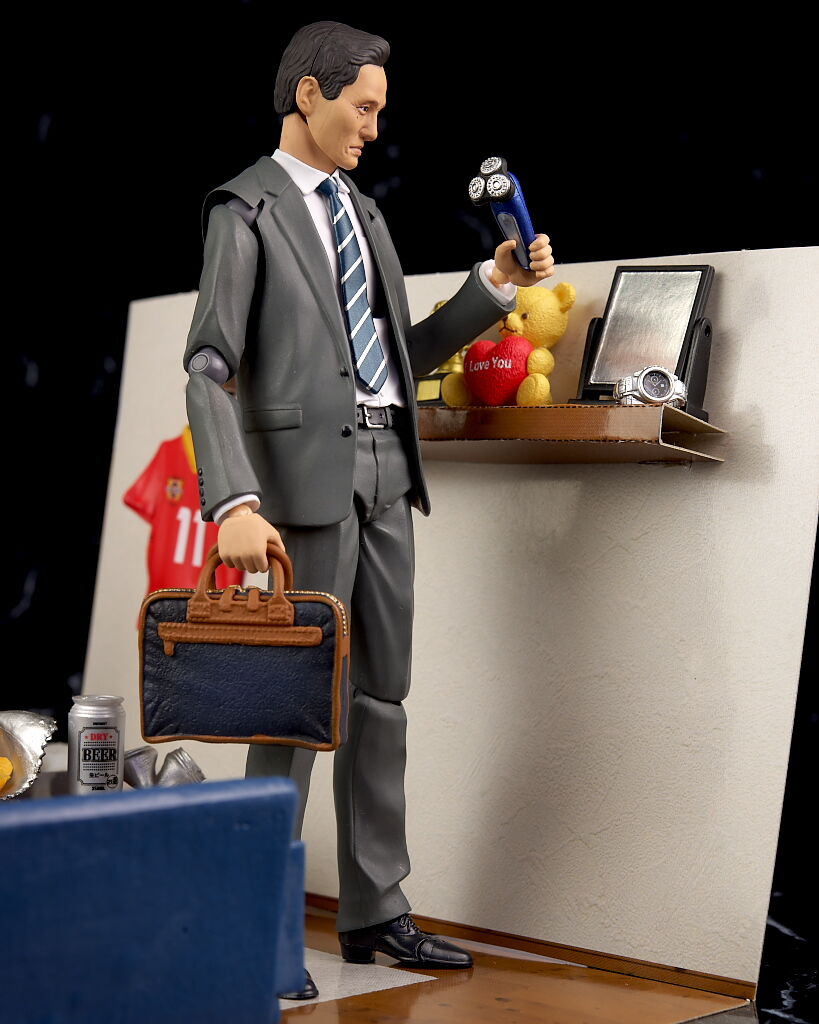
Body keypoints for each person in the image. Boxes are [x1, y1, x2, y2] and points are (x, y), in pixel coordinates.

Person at [183, 20, 555, 997]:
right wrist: (234, 498)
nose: (373, 128)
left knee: (381, 699)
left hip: (390, 472)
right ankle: (256, 929)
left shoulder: (366, 215)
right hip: (303, 487)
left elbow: (400, 354)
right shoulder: (246, 210)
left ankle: (375, 908)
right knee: (291, 708)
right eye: (363, 107)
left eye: (380, 111)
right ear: (308, 93)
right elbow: (209, 365)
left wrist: (496, 285)